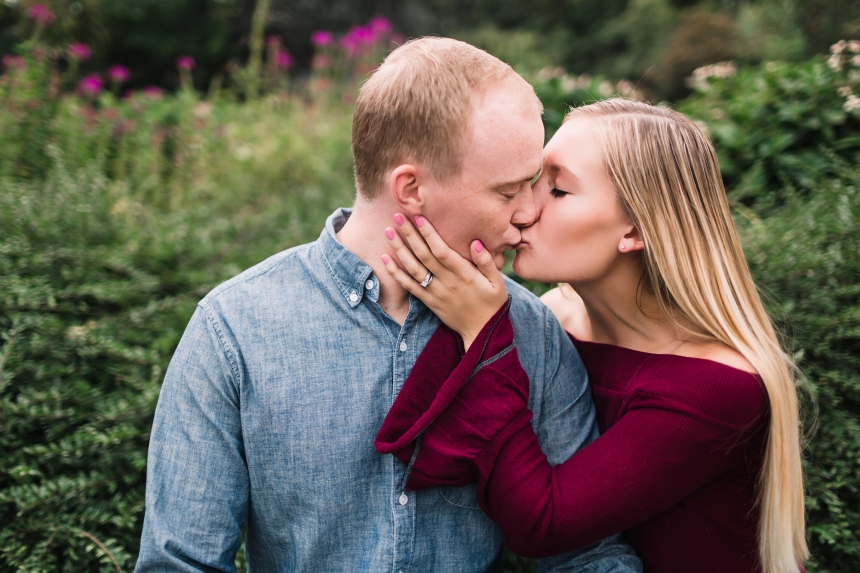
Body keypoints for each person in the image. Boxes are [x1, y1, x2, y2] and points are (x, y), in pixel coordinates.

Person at [134, 38, 642, 572]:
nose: (528, 213)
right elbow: (181, 563)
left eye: (533, 184)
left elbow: (593, 554)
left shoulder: (527, 329)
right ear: (411, 188)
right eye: (507, 191)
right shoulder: (234, 330)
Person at [375, 99, 809, 573]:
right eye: (528, 182)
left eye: (557, 190)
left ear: (635, 230)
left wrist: (483, 333)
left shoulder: (715, 386)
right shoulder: (552, 322)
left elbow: (542, 524)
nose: (524, 209)